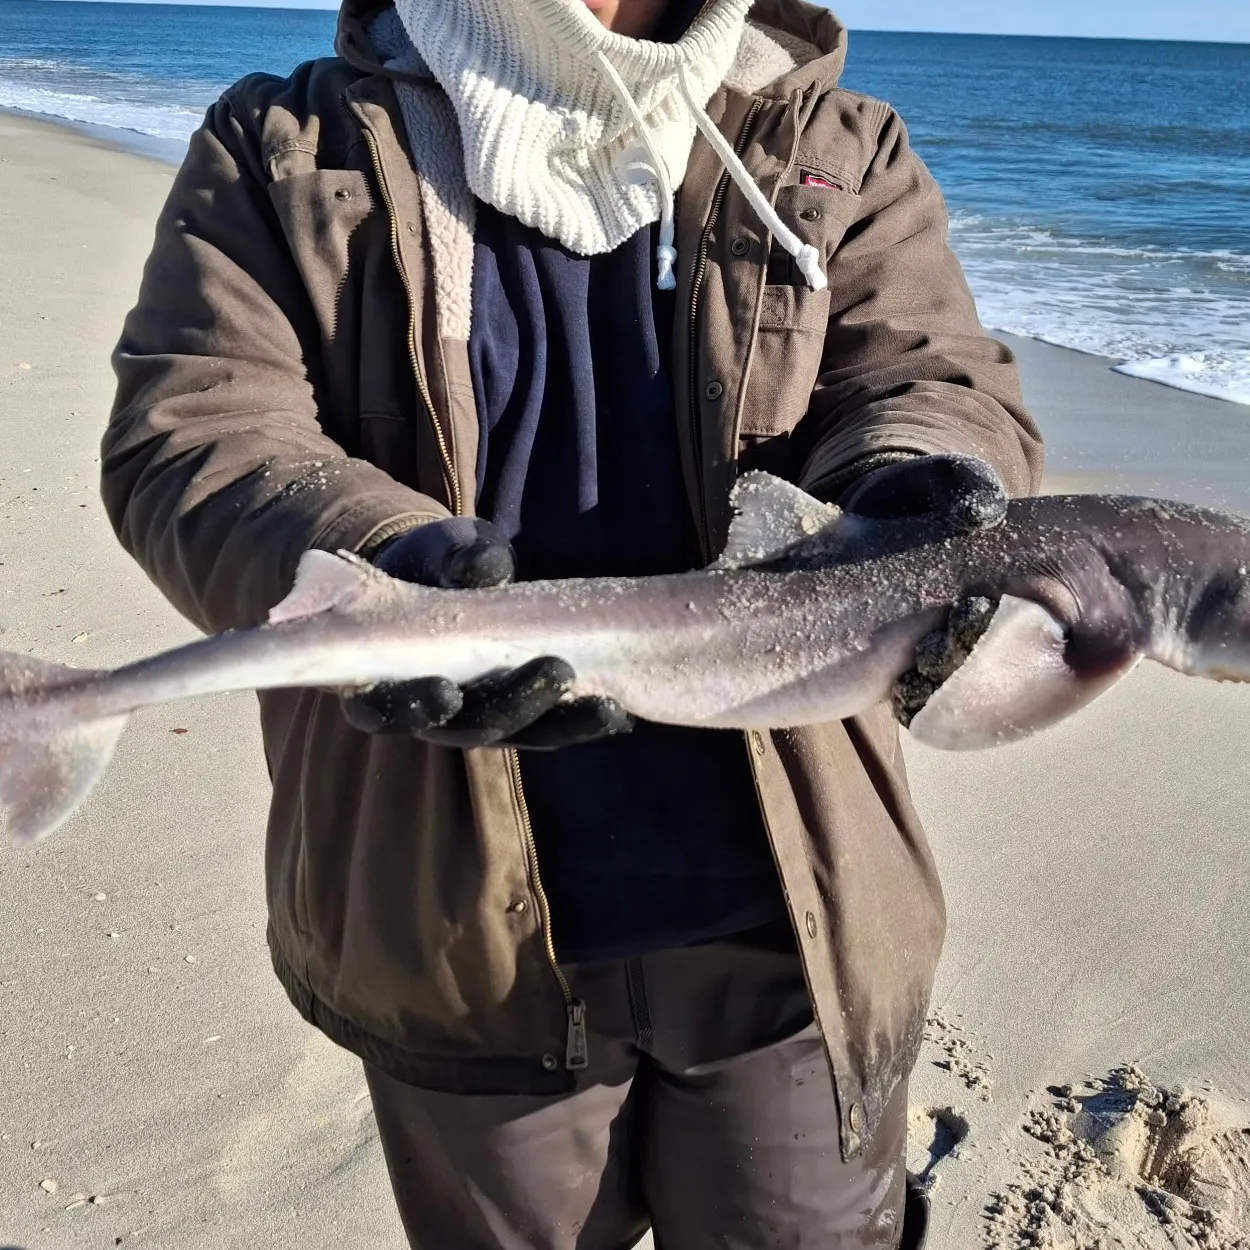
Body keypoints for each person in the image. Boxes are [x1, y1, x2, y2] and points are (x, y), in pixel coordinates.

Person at [101, 0, 1044, 1244]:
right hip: (450, 928)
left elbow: (927, 377)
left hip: (797, 917)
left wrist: (904, 474)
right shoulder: (284, 147)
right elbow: (198, 435)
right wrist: (382, 565)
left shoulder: (834, 144)